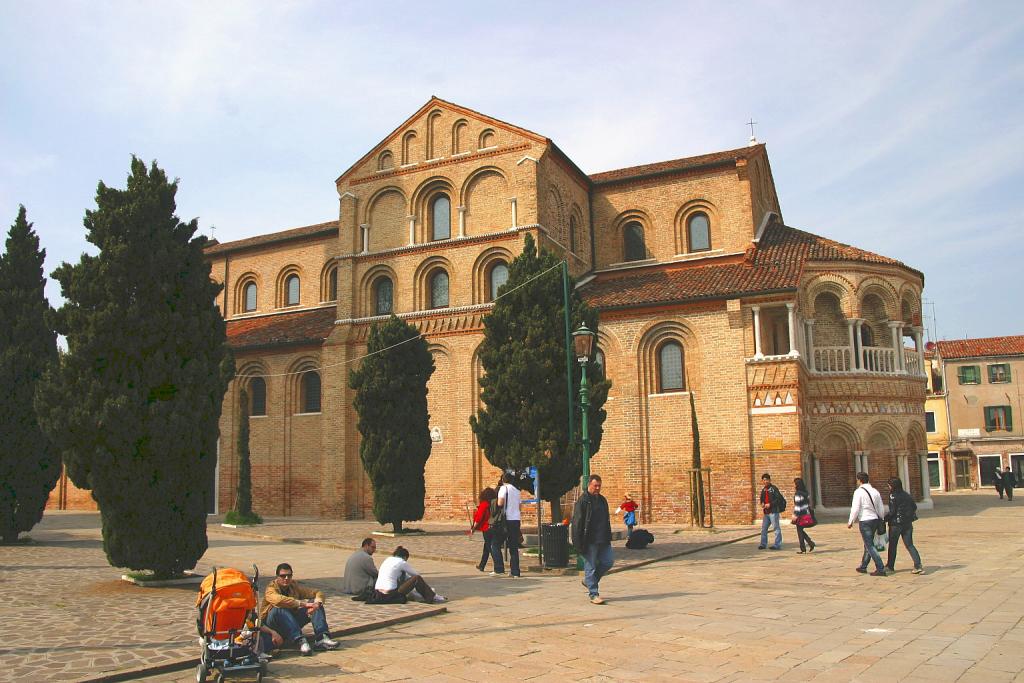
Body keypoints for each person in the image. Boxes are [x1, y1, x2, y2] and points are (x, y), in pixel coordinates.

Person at [259, 563, 340, 655]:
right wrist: (303, 604)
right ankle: (301, 641)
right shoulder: (270, 589)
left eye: (289, 576)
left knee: (315, 603)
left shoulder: (293, 586)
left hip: (291, 622)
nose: (286, 578)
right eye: (283, 576)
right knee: (279, 609)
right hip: (273, 626)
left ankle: (321, 639)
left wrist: (317, 604)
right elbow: (279, 601)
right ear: (277, 577)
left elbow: (316, 592)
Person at [572, 474, 614, 605]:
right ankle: (593, 594)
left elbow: (606, 520)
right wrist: (577, 542)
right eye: (595, 485)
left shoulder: (602, 500)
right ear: (589, 484)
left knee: (608, 562)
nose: (597, 488)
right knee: (590, 567)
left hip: (603, 538)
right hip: (589, 539)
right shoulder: (583, 501)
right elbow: (577, 522)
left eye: (599, 486)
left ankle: (589, 581)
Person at [847, 472, 887, 577]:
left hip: (865, 520)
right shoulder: (875, 491)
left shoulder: (858, 492)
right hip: (874, 519)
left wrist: (851, 521)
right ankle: (863, 566)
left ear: (859, 480)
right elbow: (880, 508)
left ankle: (880, 567)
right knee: (868, 543)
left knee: (869, 545)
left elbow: (855, 508)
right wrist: (881, 518)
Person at [374, 546, 446, 603]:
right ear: (405, 557)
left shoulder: (388, 559)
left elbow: (405, 577)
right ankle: (432, 597)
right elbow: (415, 575)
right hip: (390, 593)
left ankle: (431, 594)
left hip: (378, 592)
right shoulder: (401, 562)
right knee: (417, 578)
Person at [884, 477, 923, 574]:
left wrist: (884, 519)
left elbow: (892, 511)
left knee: (893, 545)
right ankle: (918, 565)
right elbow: (914, 506)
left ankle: (890, 565)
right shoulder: (906, 495)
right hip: (907, 523)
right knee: (909, 544)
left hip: (895, 524)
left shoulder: (893, 495)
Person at [495, 472, 523, 578]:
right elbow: (520, 506)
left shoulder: (503, 488)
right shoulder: (517, 490)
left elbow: (500, 503)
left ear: (503, 480)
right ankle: (515, 571)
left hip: (506, 519)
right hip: (516, 519)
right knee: (513, 546)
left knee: (496, 543)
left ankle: (498, 568)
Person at [472, 487, 499, 572]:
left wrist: (473, 527)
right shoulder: (495, 503)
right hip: (494, 526)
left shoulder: (484, 504)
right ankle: (482, 565)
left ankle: (498, 567)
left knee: (490, 548)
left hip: (486, 528)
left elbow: (479, 518)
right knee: (487, 547)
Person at [757, 473, 785, 550]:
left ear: (769, 480)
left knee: (776, 528)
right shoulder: (763, 489)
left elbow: (778, 499)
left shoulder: (774, 489)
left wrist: (770, 504)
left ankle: (777, 544)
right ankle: (763, 544)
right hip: (766, 512)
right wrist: (762, 503)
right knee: (764, 529)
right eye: (764, 480)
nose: (765, 481)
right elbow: (762, 499)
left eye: (767, 480)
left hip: (773, 511)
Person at [792, 478, 816, 554]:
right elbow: (808, 504)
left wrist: (795, 514)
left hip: (800, 514)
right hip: (806, 512)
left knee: (799, 531)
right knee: (800, 530)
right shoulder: (805, 493)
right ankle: (810, 543)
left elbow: (798, 505)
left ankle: (803, 548)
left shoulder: (798, 494)